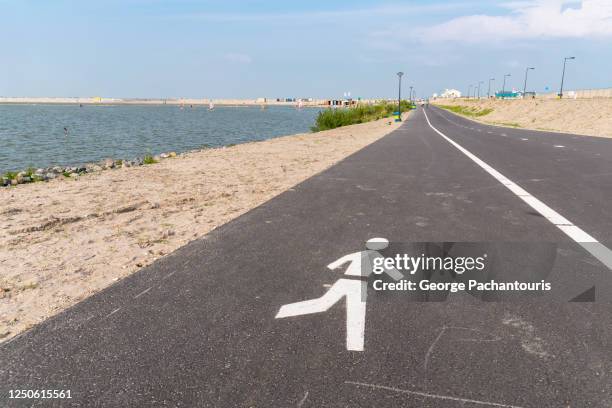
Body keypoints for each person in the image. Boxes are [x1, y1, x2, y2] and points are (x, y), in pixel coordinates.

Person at [276, 238, 402, 351]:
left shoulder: (360, 254)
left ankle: (285, 310)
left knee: (322, 304)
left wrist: (333, 266)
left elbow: (345, 257)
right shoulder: (377, 257)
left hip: (344, 280)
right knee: (355, 311)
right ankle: (354, 345)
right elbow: (393, 273)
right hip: (358, 284)